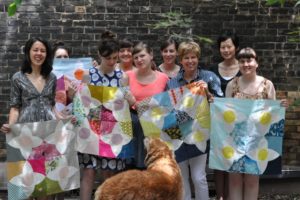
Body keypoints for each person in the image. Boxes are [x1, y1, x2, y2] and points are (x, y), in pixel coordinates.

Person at [225, 47, 288, 200]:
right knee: (234, 180)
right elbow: (225, 112)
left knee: (252, 180)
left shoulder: (267, 85)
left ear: (256, 63)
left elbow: (272, 113)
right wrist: (215, 105)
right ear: (238, 64)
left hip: (258, 140)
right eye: (242, 61)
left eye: (249, 60)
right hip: (235, 139)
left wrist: (281, 107)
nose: (246, 64)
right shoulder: (232, 85)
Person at [0, 37, 58, 200]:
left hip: (48, 132)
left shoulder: (52, 77)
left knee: (44, 184)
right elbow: (15, 107)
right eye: (35, 50)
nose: (39, 53)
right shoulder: (17, 78)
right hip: (25, 134)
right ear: (28, 52)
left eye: (43, 50)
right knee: (24, 183)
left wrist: (65, 119)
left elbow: (51, 105)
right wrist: (11, 126)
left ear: (47, 54)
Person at [166, 41, 223, 200]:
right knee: (182, 178)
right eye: (186, 58)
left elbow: (222, 106)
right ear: (181, 60)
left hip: (200, 132)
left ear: (198, 58)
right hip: (179, 133)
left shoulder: (209, 78)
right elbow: (167, 109)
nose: (190, 61)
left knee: (199, 177)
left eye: (193, 57)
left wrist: (208, 94)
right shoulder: (172, 82)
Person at [78, 30, 126, 200]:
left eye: (115, 58)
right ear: (99, 55)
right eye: (108, 58)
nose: (112, 62)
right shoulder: (88, 75)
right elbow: (80, 104)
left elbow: (127, 103)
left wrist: (129, 96)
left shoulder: (122, 77)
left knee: (109, 173)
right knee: (89, 172)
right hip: (91, 130)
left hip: (113, 131)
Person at [122, 41, 169, 169]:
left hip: (154, 130)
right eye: (136, 57)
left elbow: (167, 106)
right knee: (130, 170)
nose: (139, 60)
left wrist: (135, 103)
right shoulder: (127, 76)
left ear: (151, 55)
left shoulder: (163, 78)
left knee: (152, 168)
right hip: (132, 129)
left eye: (142, 56)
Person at [210, 30, 241, 200]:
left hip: (238, 122)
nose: (226, 50)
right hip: (218, 122)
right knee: (218, 161)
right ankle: (220, 196)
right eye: (223, 47)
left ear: (235, 48)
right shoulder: (213, 69)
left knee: (233, 159)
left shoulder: (243, 68)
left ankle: (232, 196)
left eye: (229, 46)